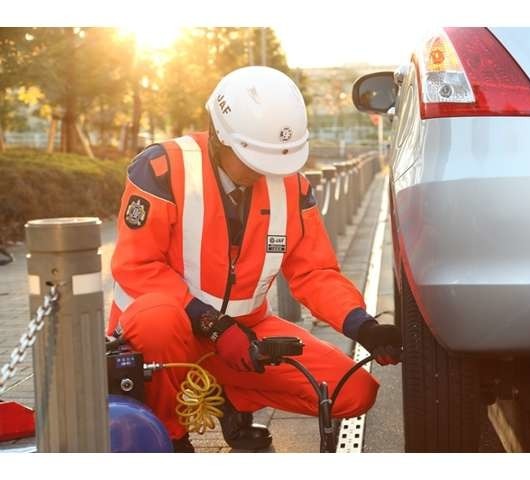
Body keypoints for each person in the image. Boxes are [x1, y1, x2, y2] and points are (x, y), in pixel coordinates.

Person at [107, 66, 402, 452]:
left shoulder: (291, 184)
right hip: (167, 336)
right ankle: (172, 437)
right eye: (252, 159)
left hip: (245, 335)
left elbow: (313, 271)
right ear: (218, 136)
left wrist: (362, 326)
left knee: (353, 392)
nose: (264, 172)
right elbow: (138, 267)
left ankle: (227, 397)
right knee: (158, 321)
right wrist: (213, 324)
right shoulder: (163, 168)